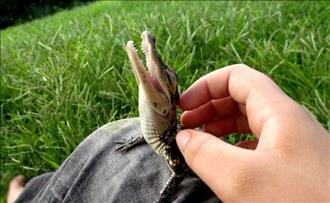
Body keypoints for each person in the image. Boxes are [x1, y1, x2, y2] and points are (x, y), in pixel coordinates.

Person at [7, 64, 329, 203]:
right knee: (116, 141)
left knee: (106, 147)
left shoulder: (179, 145)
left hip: (182, 158)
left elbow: (175, 175)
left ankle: (24, 197)